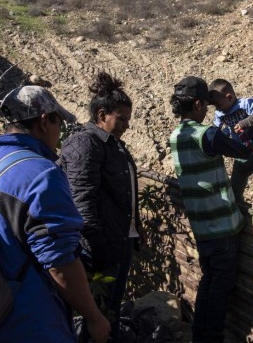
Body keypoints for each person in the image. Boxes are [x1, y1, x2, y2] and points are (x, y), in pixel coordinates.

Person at [0, 86, 110, 342]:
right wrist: (94, 317)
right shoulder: (42, 174)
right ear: (44, 122)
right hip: (26, 323)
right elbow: (60, 262)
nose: (59, 133)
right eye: (59, 123)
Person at [60, 72, 142, 341]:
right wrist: (98, 250)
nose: (126, 126)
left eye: (128, 120)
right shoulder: (85, 144)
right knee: (96, 316)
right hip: (100, 249)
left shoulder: (113, 145)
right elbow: (82, 201)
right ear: (102, 114)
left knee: (111, 312)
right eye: (121, 119)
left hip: (119, 241)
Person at [169, 76, 251, 343]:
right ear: (197, 104)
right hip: (222, 227)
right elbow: (242, 150)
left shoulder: (176, 136)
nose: (207, 110)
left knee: (209, 280)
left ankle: (199, 335)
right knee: (220, 288)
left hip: (201, 226)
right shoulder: (206, 134)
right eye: (206, 104)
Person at [208, 78, 253, 207]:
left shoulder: (246, 103)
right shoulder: (220, 113)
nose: (217, 108)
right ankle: (238, 209)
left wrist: (244, 123)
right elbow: (214, 130)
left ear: (229, 97)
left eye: (218, 104)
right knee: (235, 187)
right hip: (240, 158)